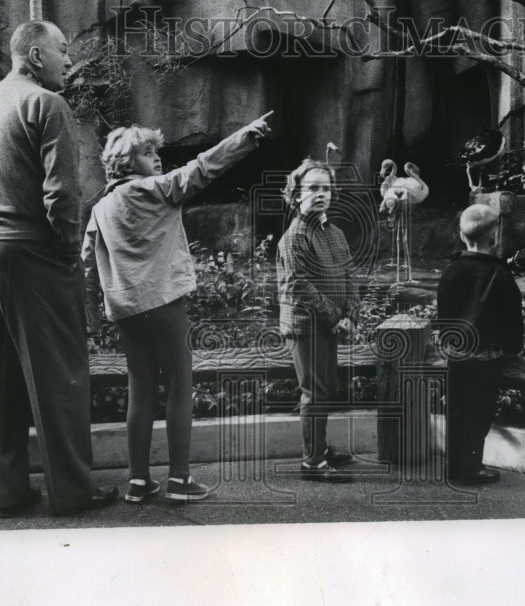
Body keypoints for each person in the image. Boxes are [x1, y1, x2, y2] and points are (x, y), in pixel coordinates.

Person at [0, 20, 118, 517]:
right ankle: (73, 492)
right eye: (62, 50)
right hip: (32, 252)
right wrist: (64, 250)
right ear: (35, 55)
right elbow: (62, 194)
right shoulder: (47, 105)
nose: (68, 61)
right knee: (59, 372)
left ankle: (10, 492)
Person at [82, 113, 273, 503]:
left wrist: (88, 314)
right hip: (165, 303)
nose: (157, 158)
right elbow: (202, 168)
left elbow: (86, 263)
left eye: (156, 151)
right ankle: (180, 480)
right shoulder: (156, 189)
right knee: (180, 384)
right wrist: (244, 137)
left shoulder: (100, 209)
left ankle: (138, 481)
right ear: (126, 161)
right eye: (148, 152)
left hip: (127, 310)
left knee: (140, 388)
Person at [276, 159, 360, 482]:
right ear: (296, 196)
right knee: (314, 390)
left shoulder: (335, 232)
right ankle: (312, 463)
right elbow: (300, 284)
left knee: (326, 388)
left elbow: (349, 273)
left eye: (326, 188)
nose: (321, 194)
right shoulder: (295, 236)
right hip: (306, 326)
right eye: (312, 188)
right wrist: (336, 317)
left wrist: (351, 312)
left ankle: (320, 449)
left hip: (329, 324)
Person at [436, 203, 523, 485]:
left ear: (462, 236)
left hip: (456, 357)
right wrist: (513, 348)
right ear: (494, 237)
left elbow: (444, 315)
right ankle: (471, 468)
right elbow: (512, 318)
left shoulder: (451, 270)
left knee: (457, 411)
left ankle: (454, 467)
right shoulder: (500, 275)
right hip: (487, 358)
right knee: (479, 414)